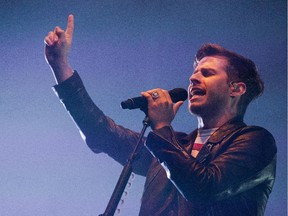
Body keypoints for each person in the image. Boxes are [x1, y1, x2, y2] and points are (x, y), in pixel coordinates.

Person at [44, 15, 277, 216]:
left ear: (236, 89)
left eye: (207, 73)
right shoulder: (172, 145)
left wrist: (163, 127)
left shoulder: (256, 142)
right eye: (194, 73)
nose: (193, 79)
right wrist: (60, 65)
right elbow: (102, 133)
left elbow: (203, 186)